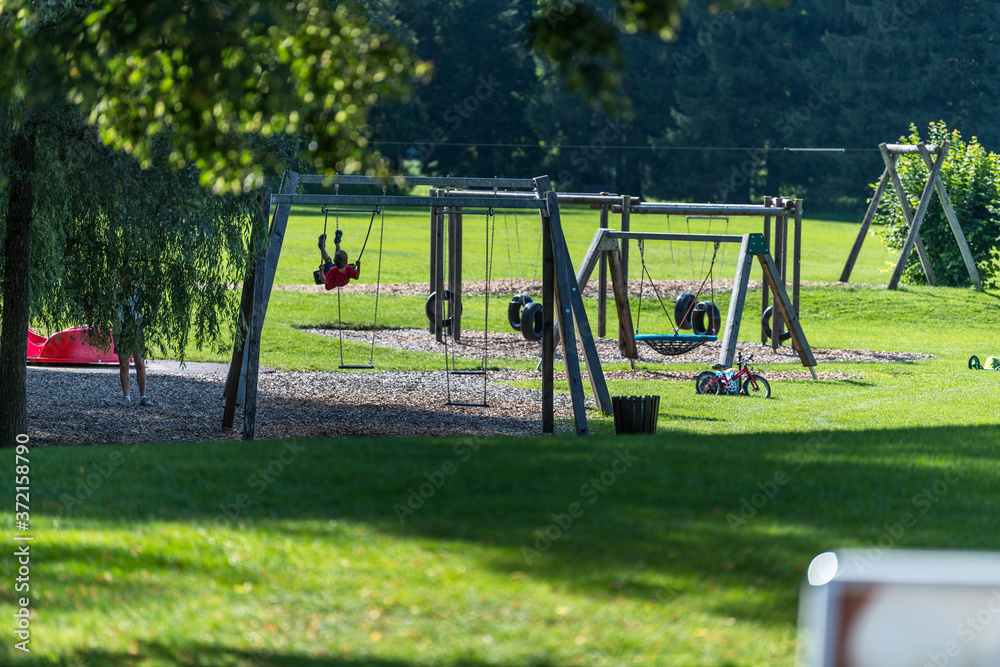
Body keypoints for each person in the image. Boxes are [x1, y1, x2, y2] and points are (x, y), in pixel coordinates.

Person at [114, 288, 153, 407]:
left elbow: (151, 304)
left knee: (140, 363)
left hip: (137, 331)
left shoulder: (139, 291)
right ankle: (127, 397)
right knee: (124, 364)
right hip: (120, 331)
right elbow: (109, 311)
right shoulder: (115, 293)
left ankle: (143, 397)